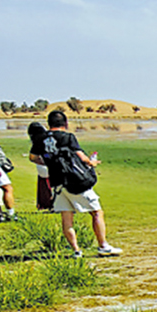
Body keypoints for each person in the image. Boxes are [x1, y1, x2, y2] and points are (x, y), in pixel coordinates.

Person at [44, 108, 119, 256]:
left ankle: (76, 250)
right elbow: (82, 158)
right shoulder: (68, 137)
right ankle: (103, 246)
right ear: (65, 123)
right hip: (74, 181)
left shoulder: (42, 139)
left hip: (57, 183)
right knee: (97, 212)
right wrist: (92, 163)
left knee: (67, 217)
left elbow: (34, 157)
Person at [27, 122, 54, 211]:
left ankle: (45, 203)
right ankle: (54, 204)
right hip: (49, 164)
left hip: (40, 166)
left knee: (44, 186)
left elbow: (32, 157)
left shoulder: (35, 140)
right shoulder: (46, 139)